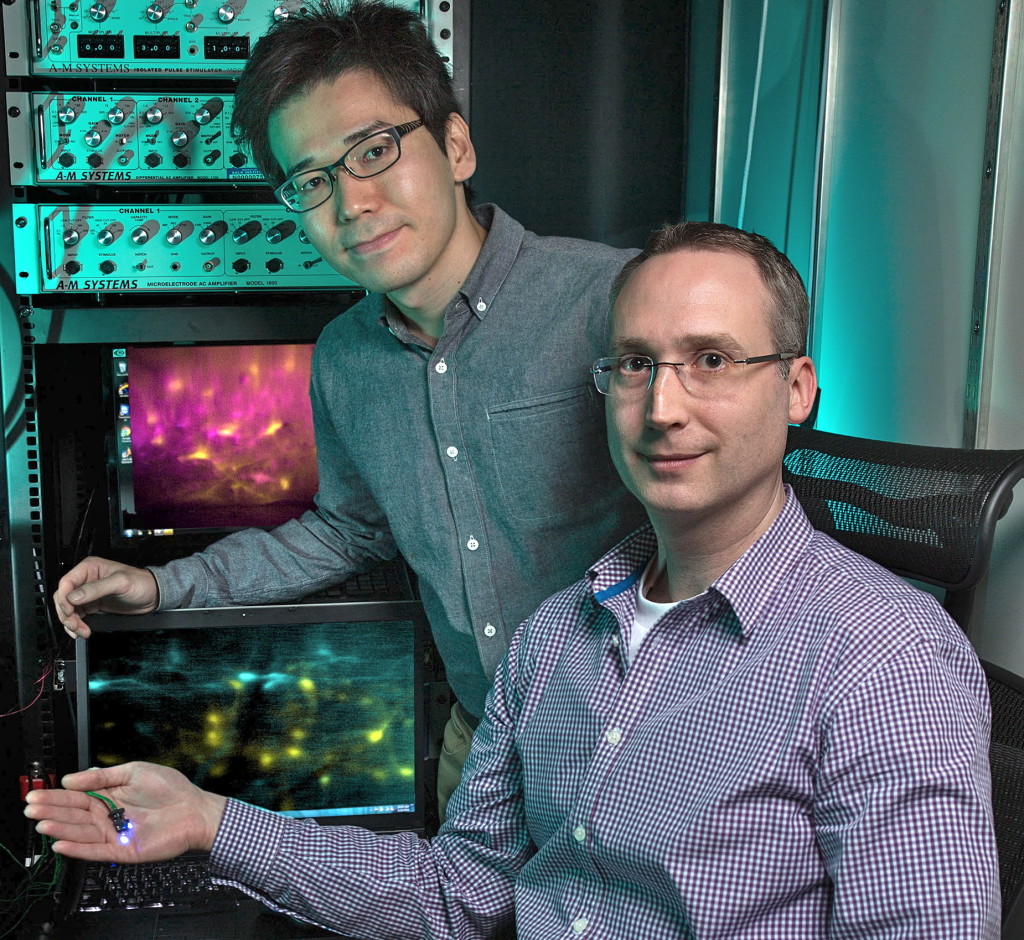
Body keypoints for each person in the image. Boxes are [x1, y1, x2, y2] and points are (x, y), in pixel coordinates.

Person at [29, 221, 1000, 937]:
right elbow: (456, 894)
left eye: (711, 360)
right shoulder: (552, 640)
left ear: (795, 388)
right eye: (633, 364)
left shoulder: (885, 660)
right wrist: (208, 820)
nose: (663, 406)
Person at [50, 0, 646, 813]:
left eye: (375, 151)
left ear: (457, 145)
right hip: (484, 751)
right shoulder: (343, 358)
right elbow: (345, 530)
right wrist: (160, 589)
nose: (351, 202)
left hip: (647, 749)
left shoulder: (611, 302)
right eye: (313, 180)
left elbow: (732, 518)